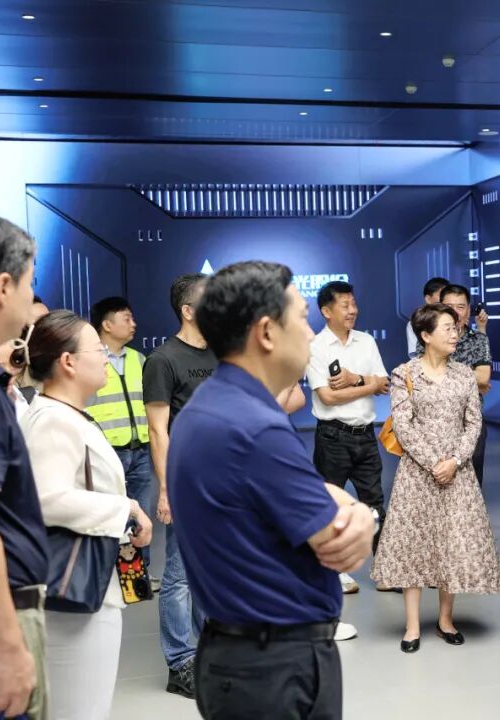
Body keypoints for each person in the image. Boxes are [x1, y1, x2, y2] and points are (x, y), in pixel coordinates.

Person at [168, 261, 375, 719]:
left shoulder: (211, 407)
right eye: (302, 317)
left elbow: (302, 496)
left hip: (238, 656)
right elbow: (335, 534)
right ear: (266, 332)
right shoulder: (256, 428)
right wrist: (361, 513)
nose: (310, 332)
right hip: (275, 668)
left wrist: (338, 501)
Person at [20, 310, 153, 720]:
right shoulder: (53, 420)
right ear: (68, 362)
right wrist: (124, 509)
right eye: (98, 350)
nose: (106, 359)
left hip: (91, 584)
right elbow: (46, 498)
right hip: (73, 593)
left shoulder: (68, 415)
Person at [371, 303, 500, 653]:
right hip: (418, 473)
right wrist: (434, 463)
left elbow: (473, 423)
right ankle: (412, 626)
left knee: (452, 543)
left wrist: (455, 461)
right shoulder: (404, 374)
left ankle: (446, 620)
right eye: (446, 327)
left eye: (455, 327)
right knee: (413, 546)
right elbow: (403, 425)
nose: (455, 333)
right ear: (426, 335)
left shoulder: (464, 374)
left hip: (458, 473)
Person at [0, 212, 49, 720]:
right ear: (4, 286)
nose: (32, 301)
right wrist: (8, 647)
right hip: (2, 611)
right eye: (29, 283)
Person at [143, 273, 215, 698]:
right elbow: (158, 431)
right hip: (186, 480)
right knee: (180, 574)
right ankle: (180, 662)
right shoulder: (163, 359)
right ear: (188, 311)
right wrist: (167, 490)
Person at [306, 281, 389, 597]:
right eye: (345, 305)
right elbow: (328, 397)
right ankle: (334, 573)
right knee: (330, 507)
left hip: (365, 435)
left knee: (375, 504)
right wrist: (370, 385)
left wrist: (355, 380)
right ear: (326, 311)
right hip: (332, 437)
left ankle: (384, 569)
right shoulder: (316, 346)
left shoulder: (366, 341)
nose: (353, 310)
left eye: (353, 303)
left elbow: (385, 383)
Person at [86, 297, 160, 591]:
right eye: (126, 318)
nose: (134, 324)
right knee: (111, 516)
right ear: (106, 324)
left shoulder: (139, 359)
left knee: (140, 516)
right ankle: (110, 579)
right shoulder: (91, 360)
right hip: (107, 453)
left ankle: (137, 579)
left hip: (139, 448)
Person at [438, 284, 493, 486]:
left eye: (460, 307)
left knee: (473, 481)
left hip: (471, 420)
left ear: (468, 310)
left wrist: (444, 369)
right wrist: (469, 375)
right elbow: (425, 376)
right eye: (449, 307)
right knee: (439, 480)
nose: (455, 312)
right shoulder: (428, 338)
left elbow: (483, 378)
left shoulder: (478, 339)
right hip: (436, 421)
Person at [406, 277, 448, 356]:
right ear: (428, 299)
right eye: (441, 295)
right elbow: (414, 355)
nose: (445, 300)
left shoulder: (456, 320)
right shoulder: (415, 323)